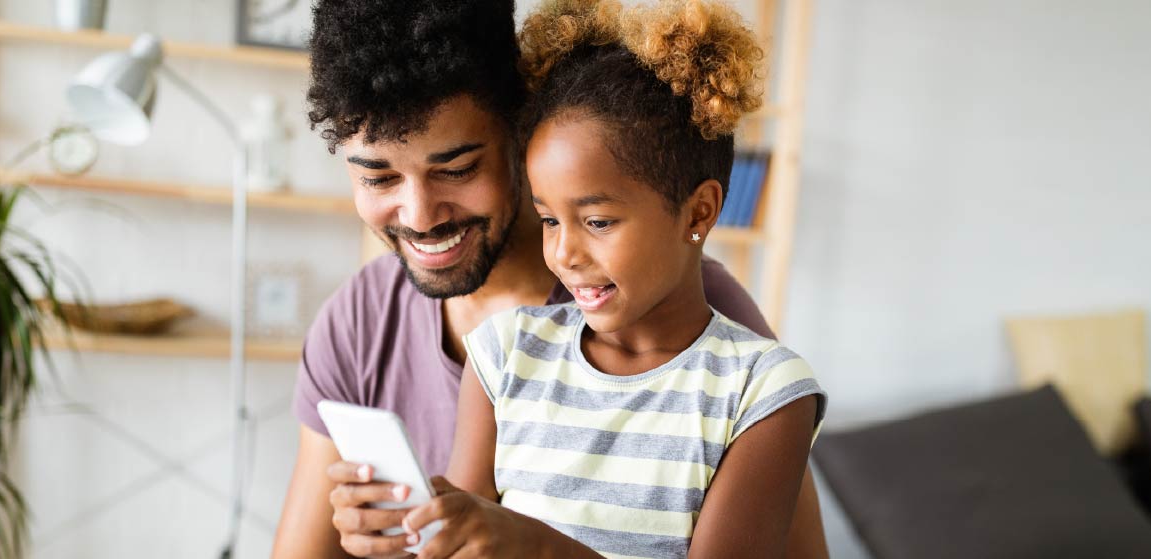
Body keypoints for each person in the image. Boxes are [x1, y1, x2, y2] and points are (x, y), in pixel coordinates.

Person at [270, 1, 830, 557]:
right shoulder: (433, 335)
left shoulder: (732, 354)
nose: (418, 216)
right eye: (378, 176)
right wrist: (395, 534)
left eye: (457, 169)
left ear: (517, 136)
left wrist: (532, 545)